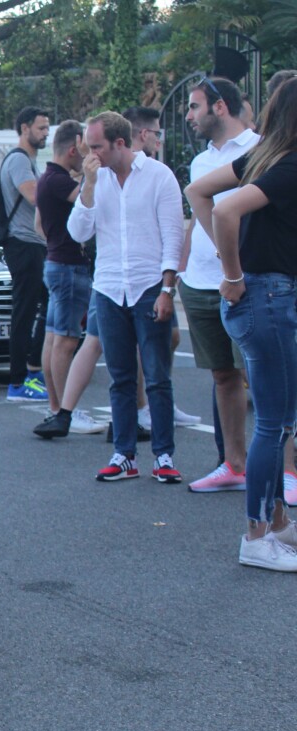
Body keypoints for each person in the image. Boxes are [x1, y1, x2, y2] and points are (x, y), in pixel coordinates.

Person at [185, 77, 297, 570]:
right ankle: (255, 537)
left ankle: (277, 525)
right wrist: (233, 272)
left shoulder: (267, 158)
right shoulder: (287, 164)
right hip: (267, 297)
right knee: (274, 423)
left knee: (277, 421)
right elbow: (224, 206)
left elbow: (199, 190)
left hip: (265, 297)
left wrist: (233, 267)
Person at [68, 111, 184, 484]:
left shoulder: (158, 176)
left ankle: (163, 455)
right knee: (119, 377)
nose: (91, 153)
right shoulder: (96, 179)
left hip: (148, 285)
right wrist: (86, 186)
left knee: (156, 376)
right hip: (108, 287)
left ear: (121, 143)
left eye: (97, 146)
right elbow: (77, 232)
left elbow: (172, 235)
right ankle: (124, 454)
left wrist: (167, 288)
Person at [177, 78, 259, 493]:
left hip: (245, 283)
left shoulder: (260, 151)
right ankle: (234, 465)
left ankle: (287, 469)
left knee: (263, 378)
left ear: (220, 107)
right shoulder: (201, 162)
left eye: (194, 107)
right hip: (200, 285)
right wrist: (178, 275)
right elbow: (196, 220)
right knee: (224, 378)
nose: (189, 116)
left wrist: (239, 272)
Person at [123, 105, 199, 433]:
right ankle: (143, 408)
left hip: (158, 272)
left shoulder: (156, 172)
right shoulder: (123, 171)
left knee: (171, 337)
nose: (159, 138)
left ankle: (156, 403)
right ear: (143, 134)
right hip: (131, 278)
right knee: (141, 345)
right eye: (156, 132)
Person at [31, 121, 93, 437]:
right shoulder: (58, 181)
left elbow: (39, 223)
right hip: (68, 266)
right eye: (83, 151)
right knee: (66, 340)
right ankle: (65, 411)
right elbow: (88, 200)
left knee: (54, 337)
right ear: (73, 149)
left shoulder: (46, 179)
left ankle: (57, 408)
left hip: (56, 261)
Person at [1, 106, 52, 402]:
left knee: (47, 303)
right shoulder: (19, 160)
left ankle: (32, 369)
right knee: (24, 311)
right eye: (41, 128)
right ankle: (18, 381)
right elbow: (35, 195)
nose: (45, 133)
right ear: (24, 128)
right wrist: (58, 182)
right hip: (22, 244)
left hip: (33, 243)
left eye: (47, 128)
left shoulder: (29, 159)